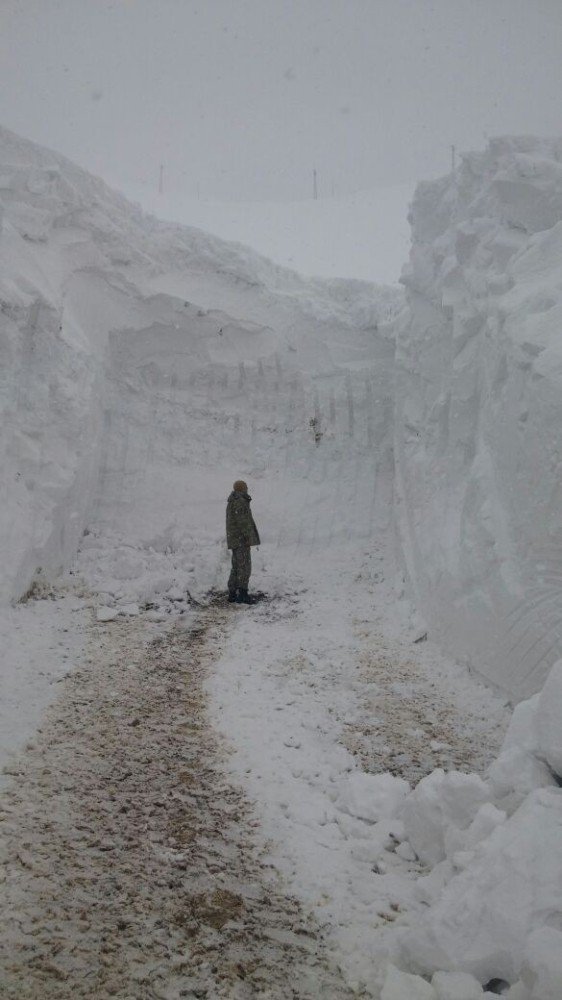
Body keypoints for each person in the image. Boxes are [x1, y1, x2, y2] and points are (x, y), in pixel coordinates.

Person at [226, 480, 260, 603]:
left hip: (235, 540)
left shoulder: (232, 501)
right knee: (244, 566)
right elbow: (244, 523)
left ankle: (232, 593)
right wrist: (248, 537)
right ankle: (243, 594)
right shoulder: (240, 501)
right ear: (242, 489)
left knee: (236, 566)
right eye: (246, 487)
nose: (247, 489)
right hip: (241, 540)